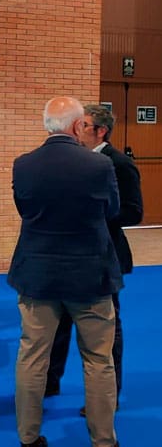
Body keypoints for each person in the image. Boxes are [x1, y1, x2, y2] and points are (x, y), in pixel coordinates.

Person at [9, 97, 122, 447]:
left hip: (38, 275)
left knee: (32, 357)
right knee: (98, 360)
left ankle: (28, 437)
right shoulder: (100, 165)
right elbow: (112, 210)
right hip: (90, 276)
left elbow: (24, 209)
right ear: (77, 126)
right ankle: (104, 440)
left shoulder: (23, 164)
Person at [45, 104, 142, 414]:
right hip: (68, 254)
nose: (78, 129)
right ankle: (49, 382)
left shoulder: (120, 164)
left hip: (104, 256)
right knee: (59, 321)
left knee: (107, 330)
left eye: (84, 125)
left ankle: (107, 396)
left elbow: (134, 212)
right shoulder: (76, 160)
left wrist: (93, 214)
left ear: (101, 131)